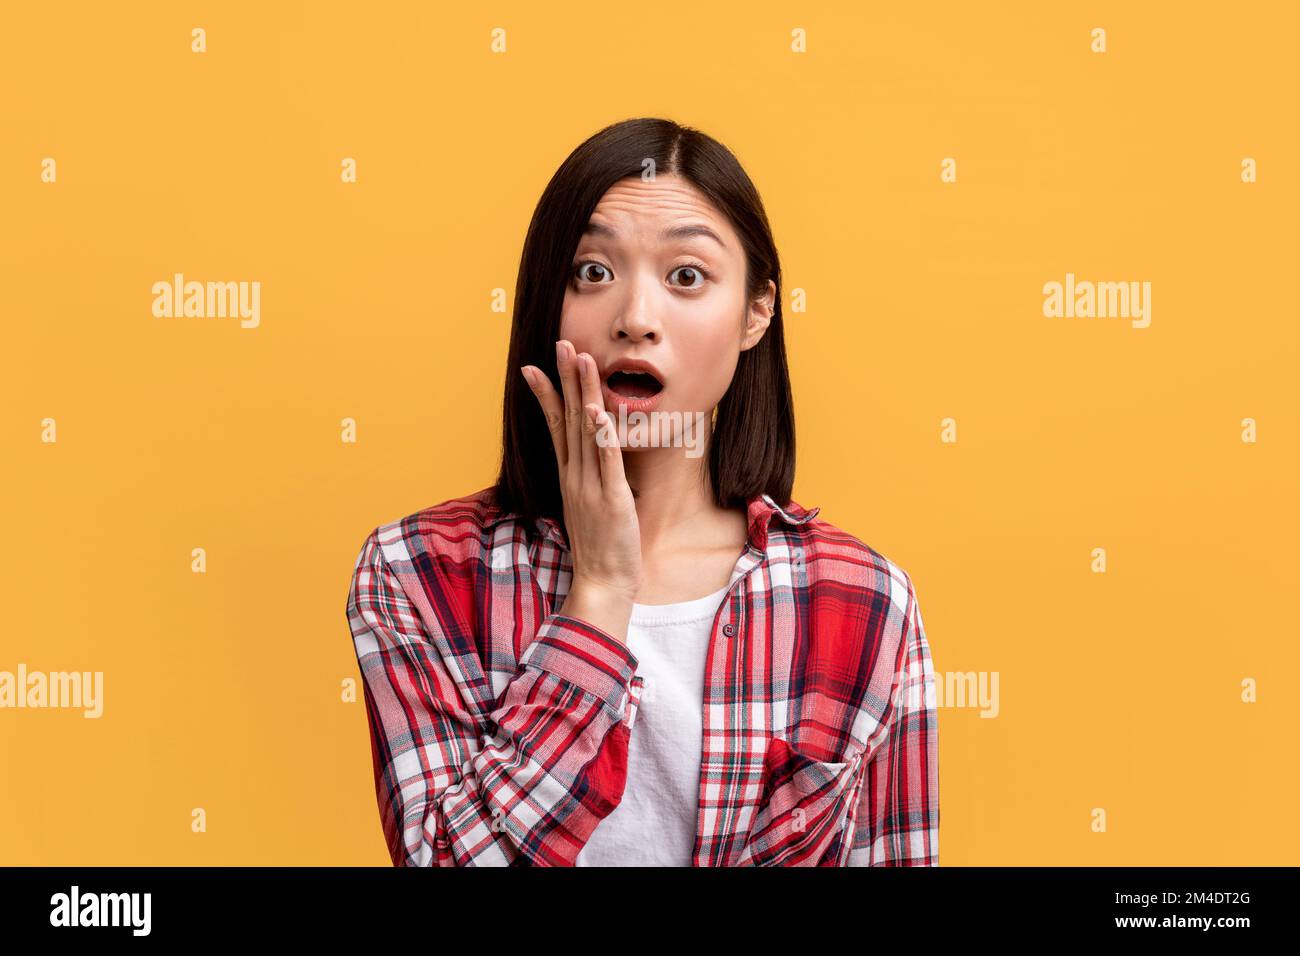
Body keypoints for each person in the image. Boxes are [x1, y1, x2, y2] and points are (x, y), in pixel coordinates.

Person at [345, 117, 938, 866]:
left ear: (757, 313)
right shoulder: (417, 572)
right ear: (543, 304)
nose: (635, 319)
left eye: (686, 276)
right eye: (592, 272)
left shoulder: (864, 601)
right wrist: (598, 594)